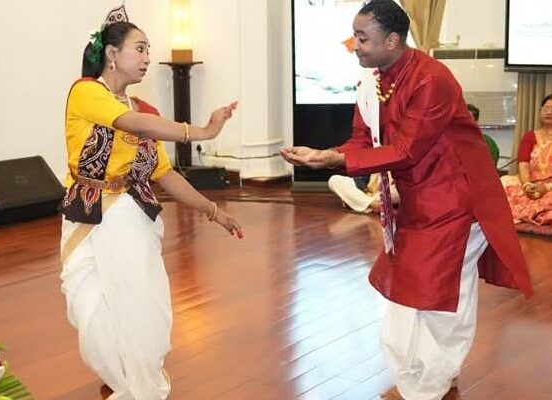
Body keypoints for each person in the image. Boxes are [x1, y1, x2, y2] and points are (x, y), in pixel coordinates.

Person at [280, 1, 533, 399]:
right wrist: (326, 154)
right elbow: (362, 141)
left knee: (443, 294)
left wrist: (336, 159)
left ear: (392, 40)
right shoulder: (373, 81)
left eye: (362, 38)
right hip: (419, 200)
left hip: (459, 200)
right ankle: (426, 375)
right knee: (410, 287)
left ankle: (429, 384)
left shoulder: (432, 79)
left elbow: (406, 150)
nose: (354, 46)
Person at [59, 6, 243, 400]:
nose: (146, 58)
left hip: (129, 215)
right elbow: (131, 125)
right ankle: (119, 376)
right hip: (86, 212)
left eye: (148, 50)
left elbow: (163, 172)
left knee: (139, 301)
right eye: (139, 49)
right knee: (88, 305)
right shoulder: (86, 92)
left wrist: (214, 211)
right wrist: (203, 131)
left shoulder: (144, 110)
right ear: (112, 54)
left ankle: (139, 384)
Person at [501, 94, 552, 225]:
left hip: (550, 187)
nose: (549, 112)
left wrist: (547, 187)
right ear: (540, 111)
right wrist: (527, 186)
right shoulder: (529, 136)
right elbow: (523, 165)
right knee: (503, 184)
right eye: (546, 108)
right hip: (530, 182)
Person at [327, 173, 399, 213]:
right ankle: (373, 204)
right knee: (334, 180)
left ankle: (357, 202)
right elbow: (361, 180)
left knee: (395, 192)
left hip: (390, 191)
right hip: (368, 192)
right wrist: (363, 191)